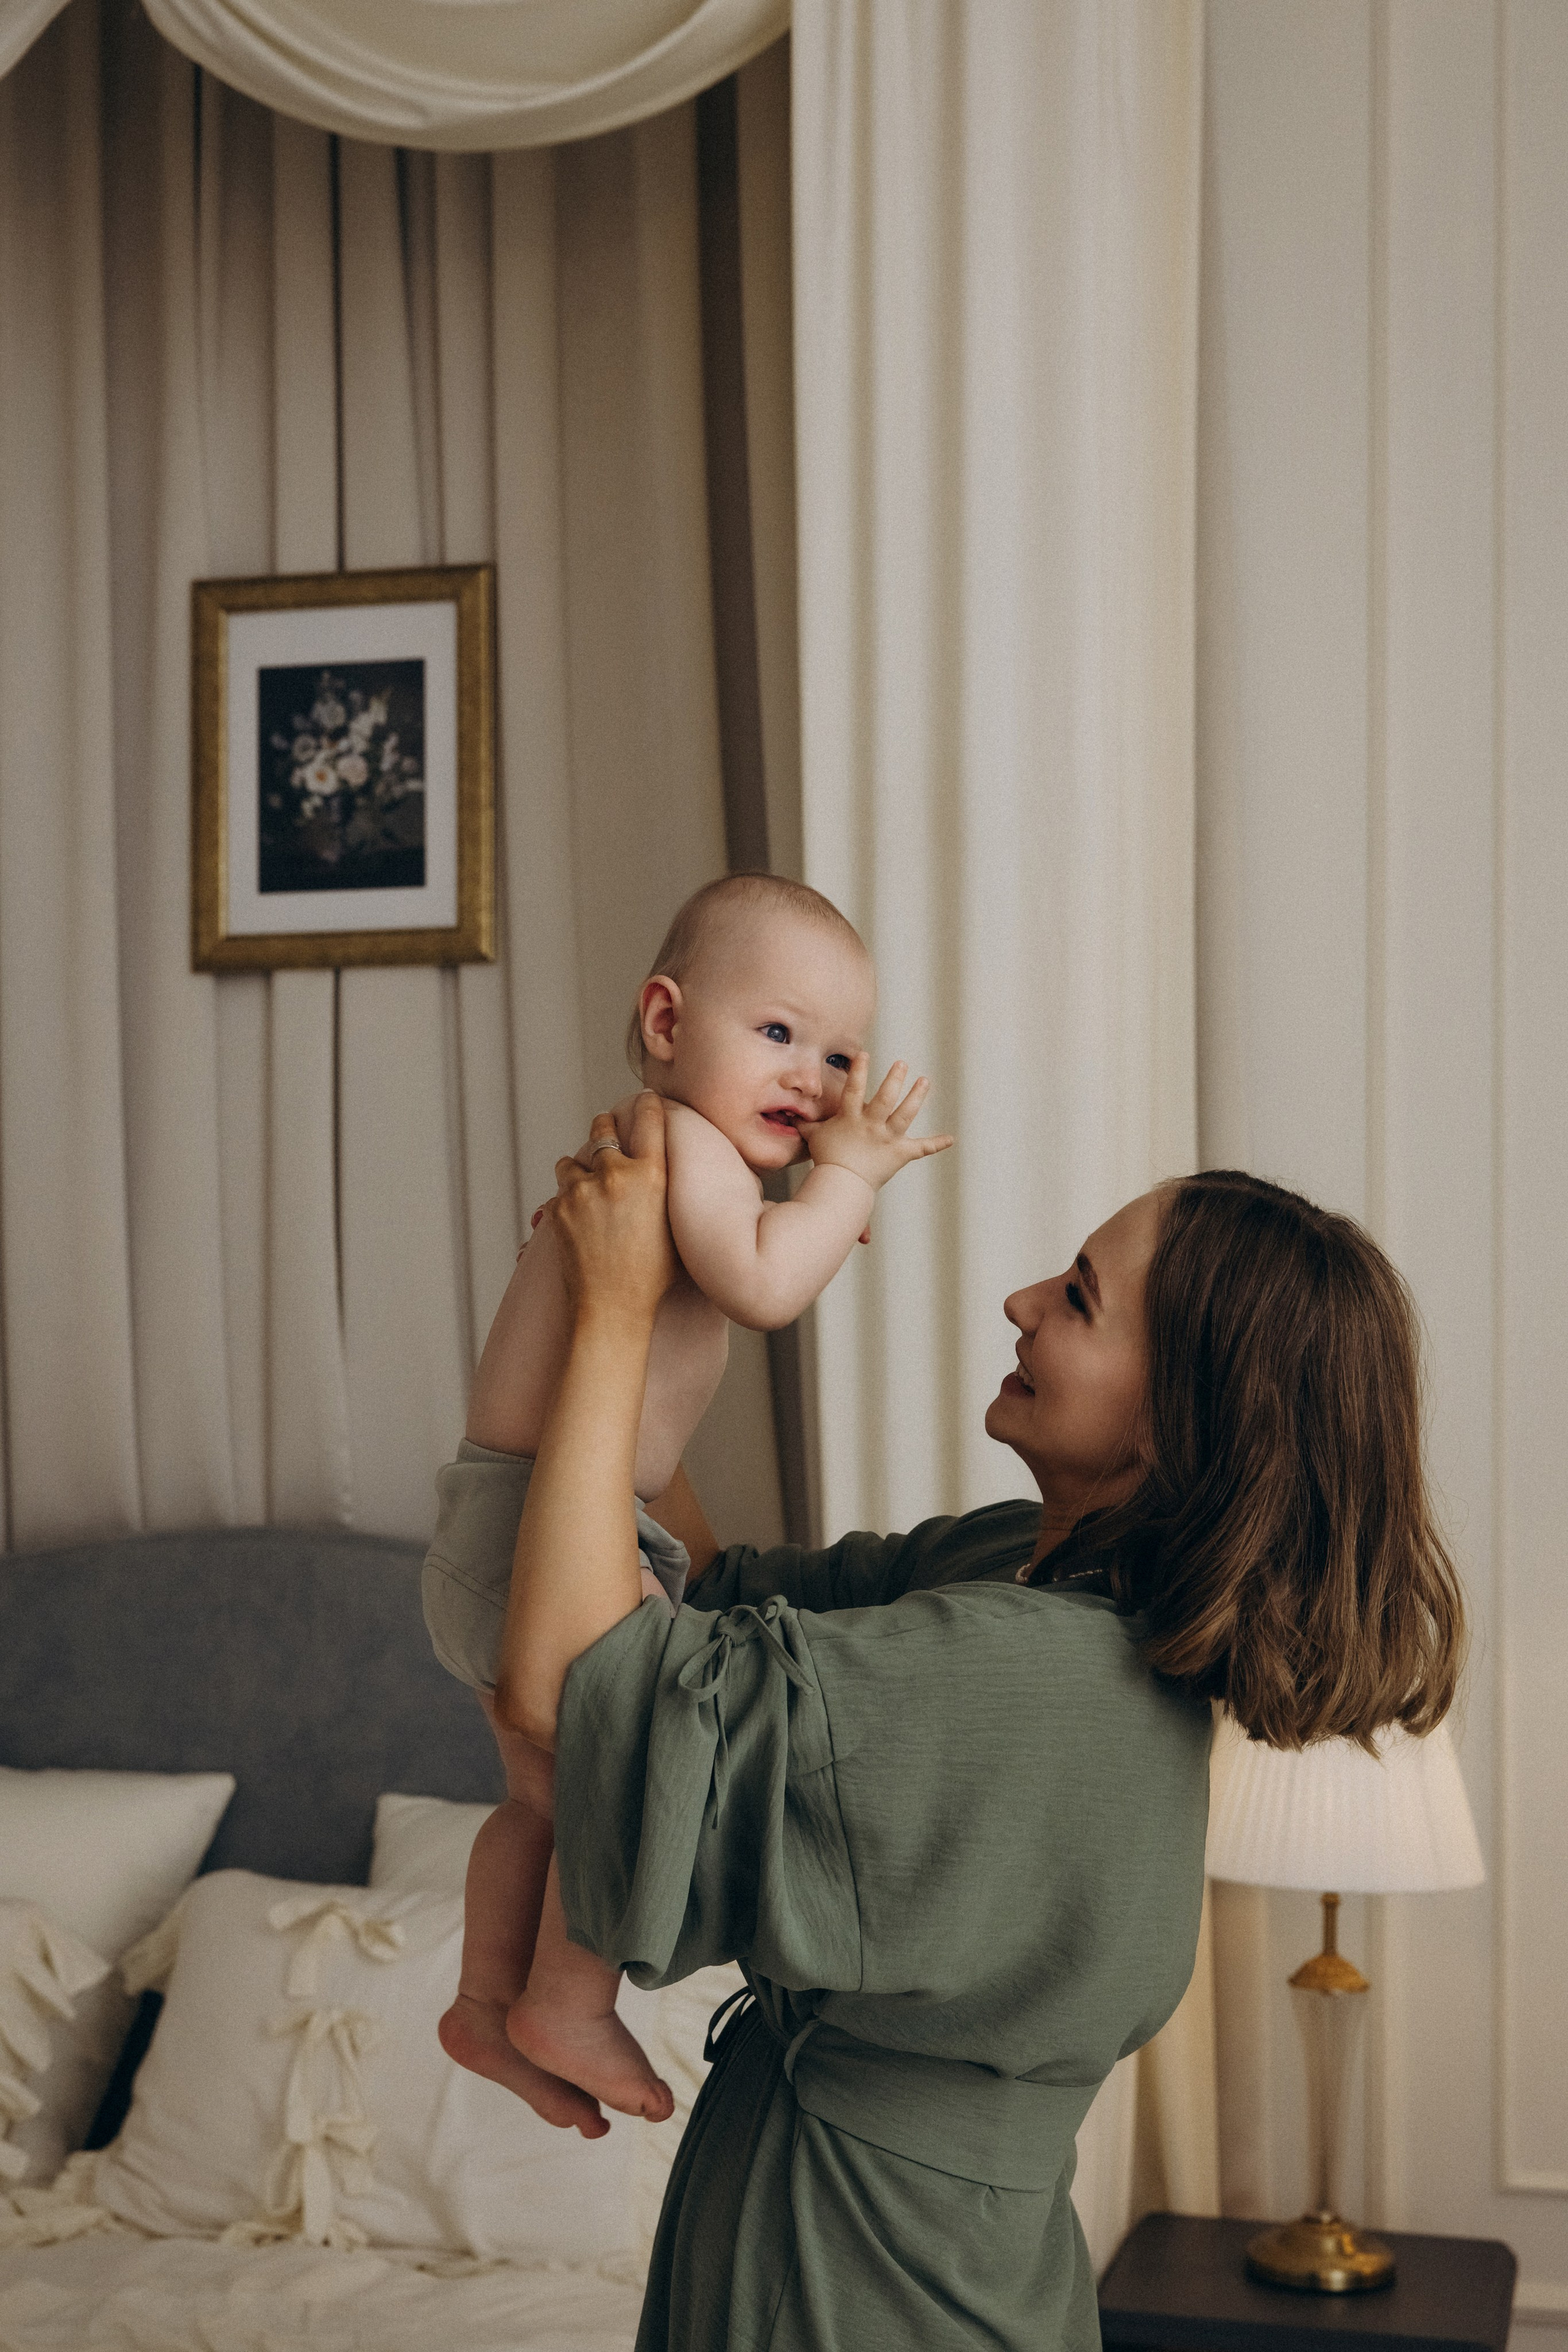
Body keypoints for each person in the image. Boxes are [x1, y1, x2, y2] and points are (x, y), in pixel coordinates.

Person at [432, 1103, 1467, 2351]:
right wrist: (665, 1300)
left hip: (858, 2283)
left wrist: (603, 1316)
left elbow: (580, 1694)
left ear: (1175, 1418)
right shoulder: (1020, 1572)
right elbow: (708, 1592)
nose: (1021, 1301)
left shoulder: (1023, 1676)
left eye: (1078, 1299)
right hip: (871, 2242)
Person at [422, 873, 952, 2132]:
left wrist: (809, 1201)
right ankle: (563, 1997)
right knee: (626, 1763)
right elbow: (767, 1289)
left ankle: (484, 2002)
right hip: (547, 1533)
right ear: (666, 1024)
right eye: (776, 1033)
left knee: (539, 1800)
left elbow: (733, 1286)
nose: (815, 1081)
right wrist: (848, 1187)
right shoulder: (677, 1142)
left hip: (506, 1527)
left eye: (837, 1055)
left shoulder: (659, 1155)